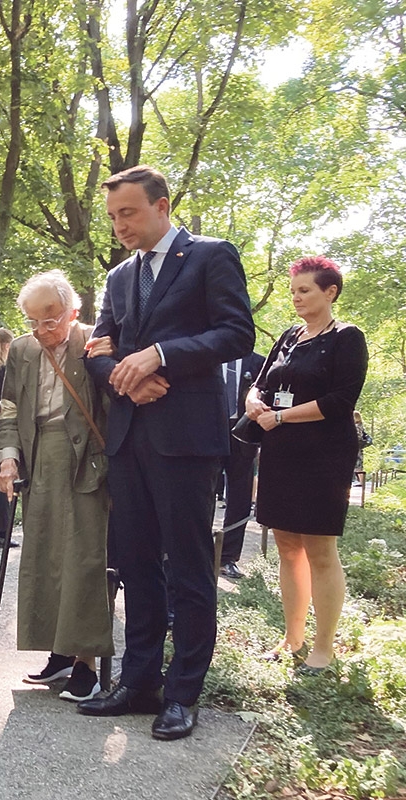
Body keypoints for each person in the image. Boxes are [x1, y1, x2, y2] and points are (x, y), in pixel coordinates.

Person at [79, 166, 255, 740]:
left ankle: (183, 693)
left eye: (127, 213)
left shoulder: (210, 256)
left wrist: (159, 356)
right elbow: (97, 348)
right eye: (112, 217)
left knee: (188, 567)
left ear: (162, 205)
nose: (119, 226)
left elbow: (236, 334)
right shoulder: (119, 276)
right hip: (129, 437)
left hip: (185, 440)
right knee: (135, 564)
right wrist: (122, 376)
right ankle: (139, 682)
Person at [245, 256, 368, 672]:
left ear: (330, 292)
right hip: (281, 452)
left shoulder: (347, 338)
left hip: (324, 454)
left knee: (319, 548)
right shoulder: (289, 336)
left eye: (305, 290)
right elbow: (260, 381)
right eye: (294, 290)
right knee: (286, 545)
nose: (296, 298)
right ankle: (292, 636)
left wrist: (280, 416)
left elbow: (340, 401)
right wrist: (253, 402)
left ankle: (324, 646)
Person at [0, 271, 113, 703]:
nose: (43, 331)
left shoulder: (94, 343)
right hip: (38, 453)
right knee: (43, 553)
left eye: (52, 320)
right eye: (33, 322)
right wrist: (8, 456)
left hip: (85, 457)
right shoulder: (23, 351)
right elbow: (8, 408)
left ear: (73, 311)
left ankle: (86, 662)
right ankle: (58, 650)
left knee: (84, 556)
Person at [217, 351, 266, 579]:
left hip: (243, 436)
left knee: (240, 496)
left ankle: (227, 558)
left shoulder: (258, 363)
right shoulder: (207, 354)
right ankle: (202, 555)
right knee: (201, 496)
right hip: (207, 434)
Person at [0, 327, 19, 549]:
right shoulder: (8, 370)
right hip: (3, 428)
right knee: (3, 480)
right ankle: (4, 532)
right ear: (7, 345)